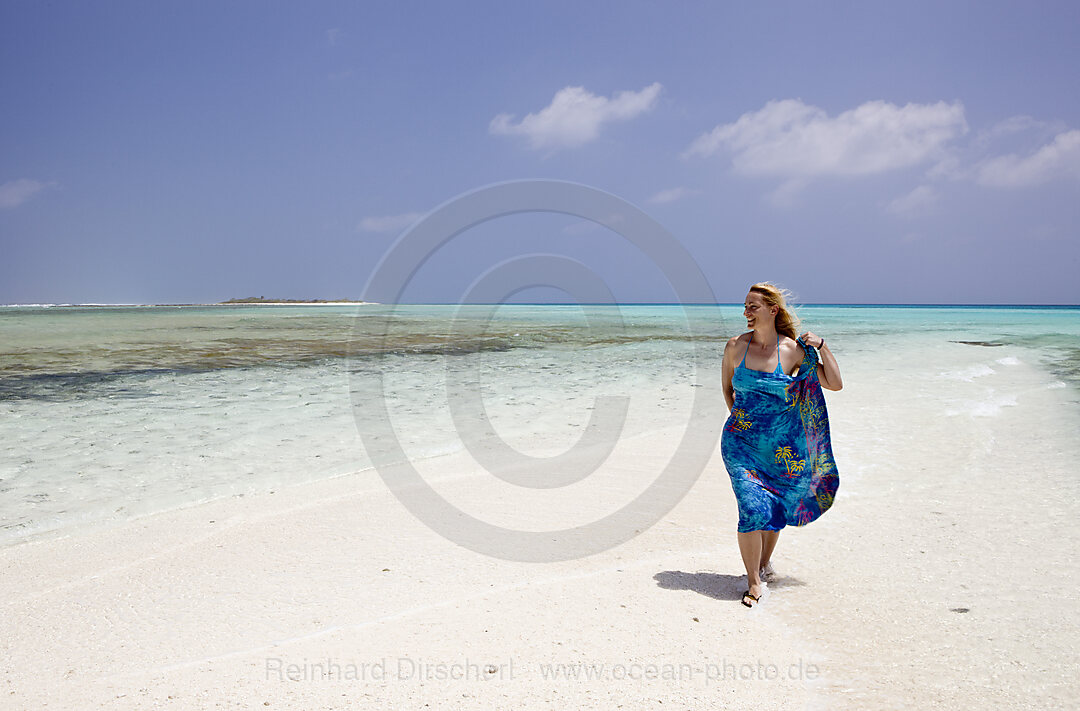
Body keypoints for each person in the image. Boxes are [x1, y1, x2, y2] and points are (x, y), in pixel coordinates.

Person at [721, 283, 843, 608]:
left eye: (753, 307)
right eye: (745, 306)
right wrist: (745, 423)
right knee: (751, 508)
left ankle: (762, 564)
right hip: (739, 444)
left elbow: (833, 383)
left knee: (774, 508)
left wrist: (824, 346)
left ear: (773, 310)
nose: (746, 312)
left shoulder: (792, 351)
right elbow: (728, 391)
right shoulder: (735, 347)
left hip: (780, 449)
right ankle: (754, 582)